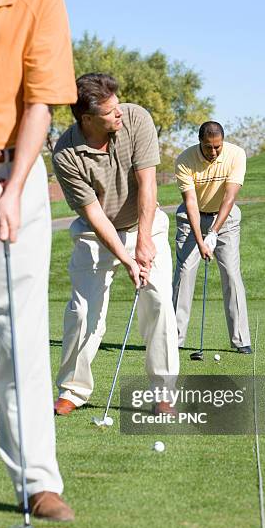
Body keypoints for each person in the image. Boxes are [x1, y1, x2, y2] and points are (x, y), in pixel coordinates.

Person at [0, 0, 77, 520]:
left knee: (21, 330)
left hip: (18, 171)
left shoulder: (41, 3)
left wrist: (12, 185)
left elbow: (41, 105)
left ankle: (37, 482)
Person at [52, 73, 179, 417]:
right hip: (96, 234)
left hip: (144, 226)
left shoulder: (136, 117)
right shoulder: (65, 153)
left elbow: (148, 185)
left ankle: (164, 392)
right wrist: (125, 259)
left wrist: (144, 243)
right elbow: (93, 214)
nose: (118, 113)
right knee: (82, 312)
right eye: (109, 112)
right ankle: (73, 390)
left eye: (117, 105)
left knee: (159, 304)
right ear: (87, 119)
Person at [172, 121, 252, 353]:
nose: (214, 152)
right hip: (192, 218)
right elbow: (190, 203)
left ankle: (240, 339)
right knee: (185, 272)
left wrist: (214, 232)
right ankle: (174, 339)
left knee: (231, 274)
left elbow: (229, 198)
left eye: (218, 146)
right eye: (209, 147)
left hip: (225, 219)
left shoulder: (236, 154)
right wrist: (201, 240)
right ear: (200, 143)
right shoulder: (185, 160)